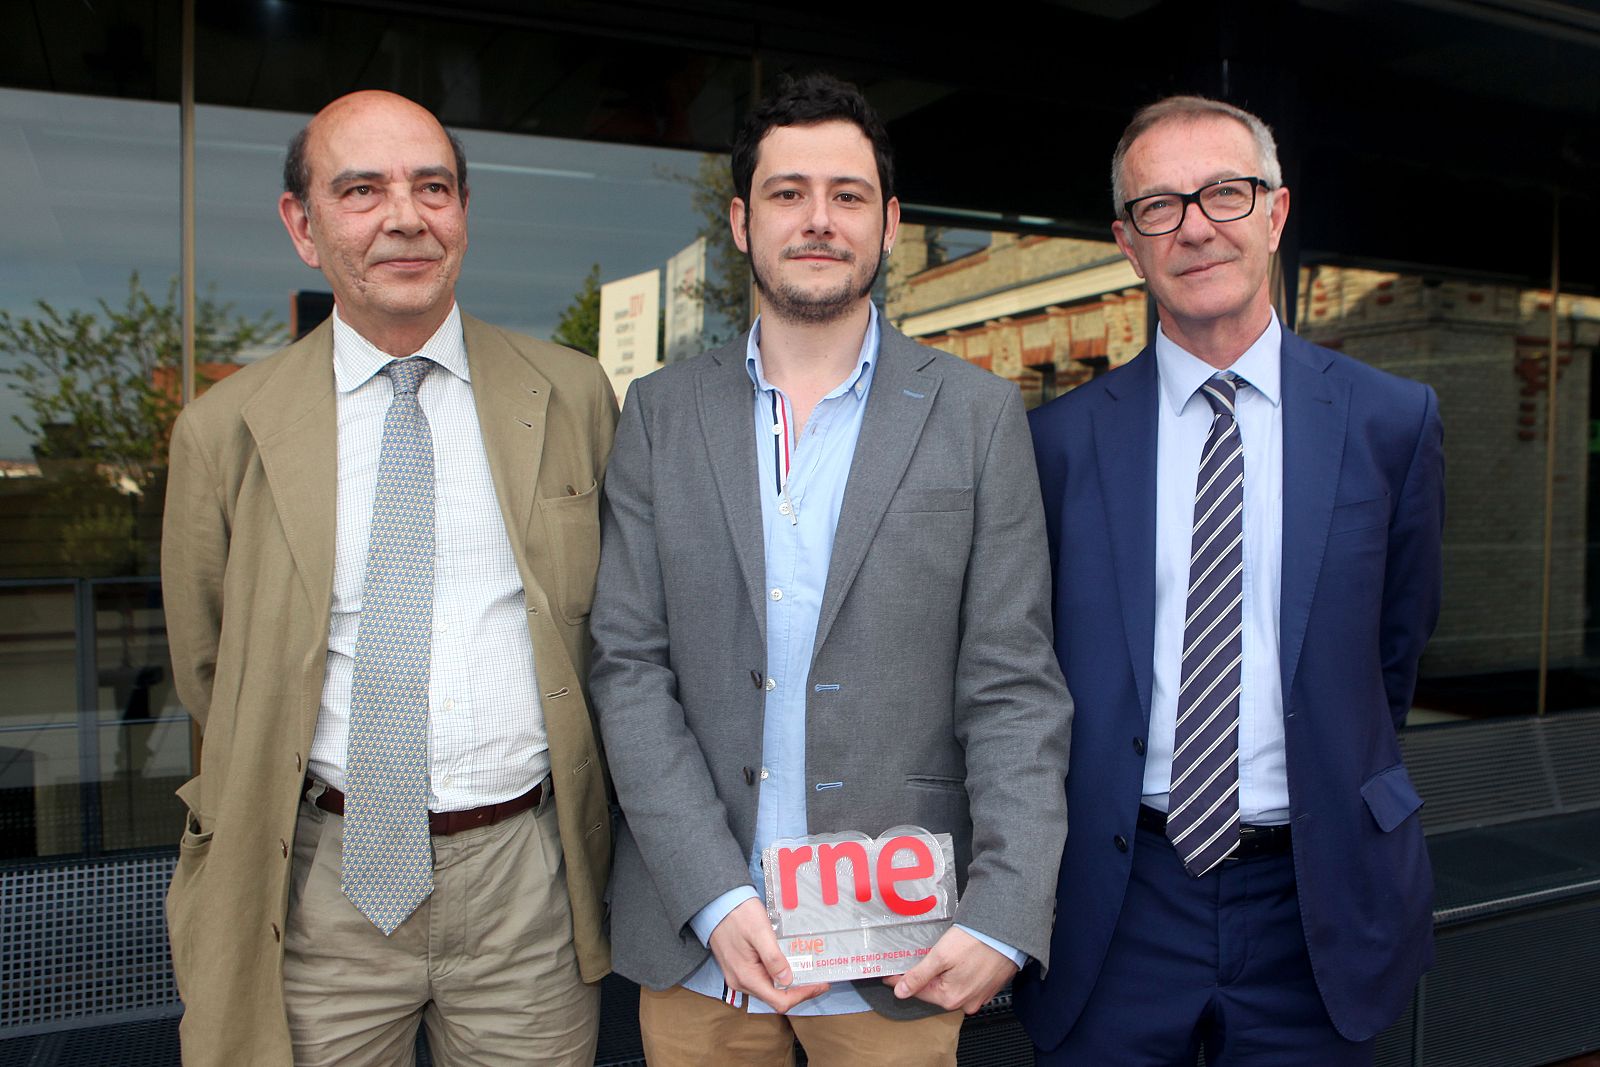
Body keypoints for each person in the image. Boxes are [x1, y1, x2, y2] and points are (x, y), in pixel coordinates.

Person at [588, 72, 1072, 1066]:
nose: (819, 220)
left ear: (890, 223)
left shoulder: (977, 416)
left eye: (847, 195)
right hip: (703, 946)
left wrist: (1004, 912)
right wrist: (713, 892)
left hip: (899, 956)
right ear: (739, 219)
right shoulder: (659, 412)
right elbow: (626, 666)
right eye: (786, 192)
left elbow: (1014, 691)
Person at [161, 89, 616, 1067]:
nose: (404, 217)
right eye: (361, 189)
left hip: (525, 886)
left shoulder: (573, 394)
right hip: (319, 890)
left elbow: (613, 627)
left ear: (462, 213)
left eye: (432, 187)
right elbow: (208, 664)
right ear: (303, 224)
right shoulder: (224, 427)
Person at [1015, 95, 1444, 1066]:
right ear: (1126, 243)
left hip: (1318, 898)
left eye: (1224, 192)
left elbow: (1393, 651)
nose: (1197, 224)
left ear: (1275, 212)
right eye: (1160, 206)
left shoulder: (1390, 422)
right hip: (1117, 897)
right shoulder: (1054, 444)